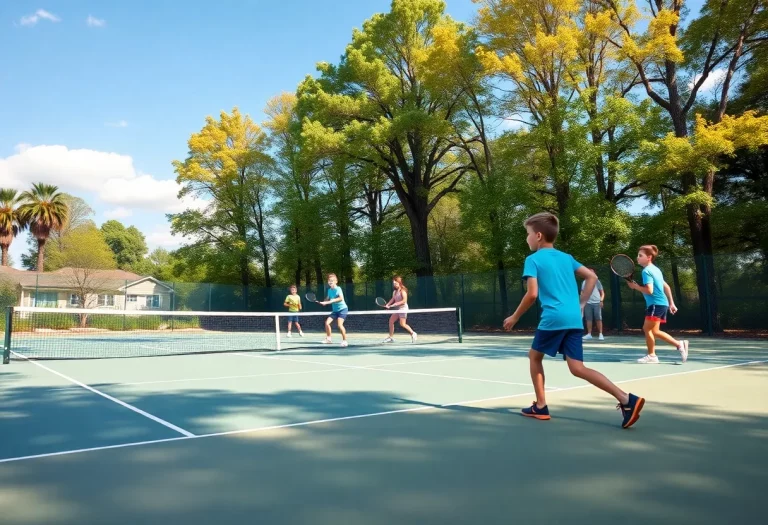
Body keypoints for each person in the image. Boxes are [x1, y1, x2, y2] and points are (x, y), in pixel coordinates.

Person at [503, 212, 644, 429]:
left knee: (534, 357)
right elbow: (592, 277)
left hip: (553, 318)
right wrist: (581, 303)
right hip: (573, 319)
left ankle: (541, 406)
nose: (527, 238)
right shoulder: (566, 258)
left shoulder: (532, 260)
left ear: (538, 235)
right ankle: (626, 399)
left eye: (528, 234)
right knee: (577, 368)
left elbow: (532, 294)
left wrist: (514, 316)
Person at [627, 245, 689, 364]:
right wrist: (671, 303)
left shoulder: (646, 271)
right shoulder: (656, 269)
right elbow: (666, 286)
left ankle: (652, 355)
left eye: (641, 256)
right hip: (662, 303)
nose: (637, 258)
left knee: (647, 329)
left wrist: (635, 287)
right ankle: (678, 345)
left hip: (655, 304)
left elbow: (649, 290)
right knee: (654, 331)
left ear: (649, 257)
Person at [382, 276, 417, 343]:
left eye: (396, 283)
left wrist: (394, 304)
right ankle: (391, 337)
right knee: (391, 321)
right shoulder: (394, 292)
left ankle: (413, 333)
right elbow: (393, 299)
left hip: (403, 309)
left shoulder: (403, 291)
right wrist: (388, 305)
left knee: (402, 324)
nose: (394, 284)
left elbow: (404, 301)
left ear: (399, 283)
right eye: (393, 283)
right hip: (398, 309)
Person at [319, 273, 348, 347]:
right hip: (335, 311)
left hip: (342, 309)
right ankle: (329, 339)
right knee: (327, 323)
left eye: (332, 280)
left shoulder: (338, 289)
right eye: (329, 280)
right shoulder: (329, 290)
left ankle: (344, 341)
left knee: (339, 325)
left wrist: (331, 301)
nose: (330, 282)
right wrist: (324, 302)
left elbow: (340, 298)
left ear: (336, 281)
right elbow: (327, 298)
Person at [582, 269, 605, 341]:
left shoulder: (597, 281)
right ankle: (589, 334)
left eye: (592, 272)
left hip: (597, 302)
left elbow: (602, 293)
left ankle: (600, 334)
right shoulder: (584, 282)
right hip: (587, 303)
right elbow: (582, 292)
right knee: (588, 319)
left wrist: (601, 300)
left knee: (598, 318)